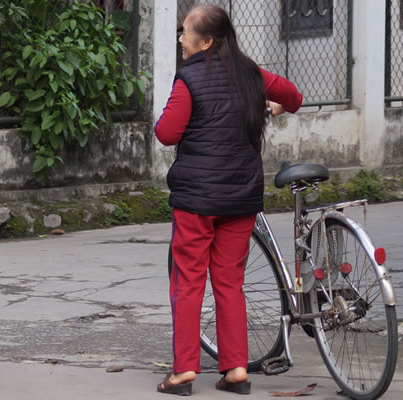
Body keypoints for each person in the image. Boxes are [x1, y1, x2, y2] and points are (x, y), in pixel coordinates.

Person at [154, 5, 303, 396]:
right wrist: (272, 104)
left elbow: (167, 133)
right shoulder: (252, 73)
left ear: (205, 41)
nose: (181, 38)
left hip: (197, 201)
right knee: (230, 283)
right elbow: (294, 95)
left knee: (188, 282)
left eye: (185, 32)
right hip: (240, 198)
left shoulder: (189, 79)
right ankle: (236, 370)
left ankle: (184, 371)